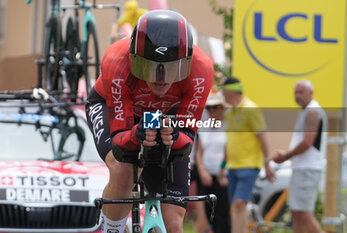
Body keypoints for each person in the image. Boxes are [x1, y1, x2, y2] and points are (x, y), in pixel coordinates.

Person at [85, 10, 214, 233]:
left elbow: (187, 138)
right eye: (149, 66)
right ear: (134, 60)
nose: (160, 78)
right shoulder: (116, 61)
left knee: (173, 224)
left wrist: (175, 135)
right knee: (123, 168)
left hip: (164, 115)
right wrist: (137, 134)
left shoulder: (201, 69)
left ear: (186, 62)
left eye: (171, 67)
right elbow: (120, 142)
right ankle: (112, 229)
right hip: (115, 109)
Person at [217, 77, 275, 233]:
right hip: (233, 167)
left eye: (223, 89)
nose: (222, 93)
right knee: (236, 207)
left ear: (231, 90)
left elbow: (262, 137)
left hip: (249, 166)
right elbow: (229, 142)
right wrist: (223, 166)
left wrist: (267, 164)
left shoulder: (251, 109)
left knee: (238, 204)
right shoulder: (229, 113)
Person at [271, 80, 327, 233]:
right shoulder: (307, 111)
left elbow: (308, 141)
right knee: (297, 213)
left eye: (301, 92)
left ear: (311, 93)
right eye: (296, 92)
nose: (297, 96)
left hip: (307, 169)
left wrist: (286, 155)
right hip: (303, 168)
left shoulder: (312, 111)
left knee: (304, 214)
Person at [196, 91, 230, 233]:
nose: (211, 111)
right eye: (208, 108)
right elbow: (199, 152)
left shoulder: (228, 127)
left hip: (223, 175)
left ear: (222, 108)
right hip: (206, 175)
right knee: (209, 211)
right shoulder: (204, 127)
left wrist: (222, 171)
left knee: (223, 212)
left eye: (214, 107)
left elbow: (229, 153)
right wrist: (202, 171)